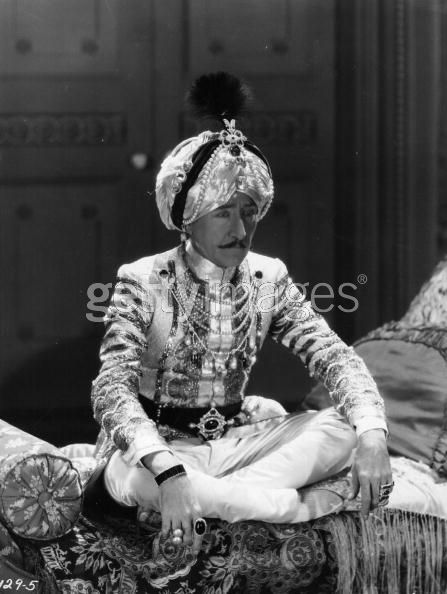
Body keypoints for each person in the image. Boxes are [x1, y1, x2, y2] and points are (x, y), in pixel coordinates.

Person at [89, 73, 392, 553]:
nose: (240, 228)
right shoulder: (143, 279)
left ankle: (221, 498)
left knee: (345, 429)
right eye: (223, 212)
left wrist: (373, 435)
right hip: (159, 452)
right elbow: (111, 391)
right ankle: (290, 509)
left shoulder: (267, 278)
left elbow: (333, 357)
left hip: (236, 442)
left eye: (249, 210)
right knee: (131, 476)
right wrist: (167, 470)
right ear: (188, 216)